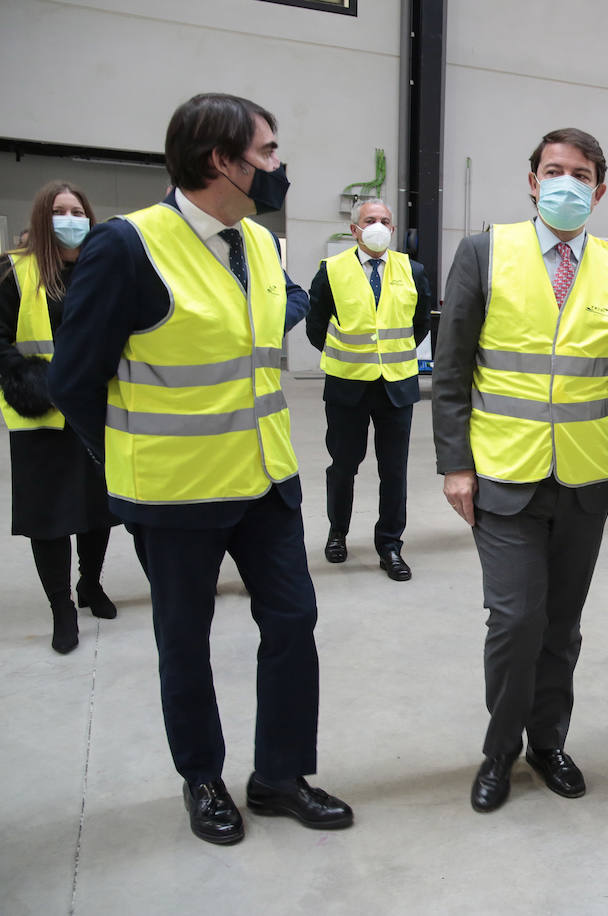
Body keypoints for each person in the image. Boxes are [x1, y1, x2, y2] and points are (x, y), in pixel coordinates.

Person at [49, 93, 352, 846]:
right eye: (269, 152)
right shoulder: (127, 247)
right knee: (184, 642)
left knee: (293, 622)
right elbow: (73, 382)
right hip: (175, 493)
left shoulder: (256, 242)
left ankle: (279, 776)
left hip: (266, 481)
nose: (279, 167)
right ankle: (203, 779)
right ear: (222, 161)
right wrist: (125, 465)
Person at [433, 127, 608, 814]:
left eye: (582, 173)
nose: (567, 183)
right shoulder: (483, 253)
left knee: (561, 624)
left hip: (586, 481)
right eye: (554, 171)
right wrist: (455, 465)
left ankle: (548, 741)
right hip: (505, 472)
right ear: (533, 181)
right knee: (515, 619)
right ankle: (500, 749)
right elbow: (451, 371)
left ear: (599, 188)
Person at [0, 181, 118, 654]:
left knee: (98, 511)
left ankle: (90, 584)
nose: (71, 219)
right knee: (49, 518)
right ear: (41, 219)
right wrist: (35, 385)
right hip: (40, 415)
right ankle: (61, 608)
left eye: (77, 210)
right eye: (59, 211)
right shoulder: (15, 272)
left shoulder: (101, 269)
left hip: (94, 409)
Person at [305, 198, 432, 581]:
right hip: (347, 386)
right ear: (354, 229)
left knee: (394, 471)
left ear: (393, 229)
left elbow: (421, 323)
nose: (379, 226)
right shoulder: (332, 270)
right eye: (370, 220)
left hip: (396, 387)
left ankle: (390, 545)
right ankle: (337, 532)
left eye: (385, 221)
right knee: (343, 466)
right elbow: (315, 326)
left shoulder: (413, 270)